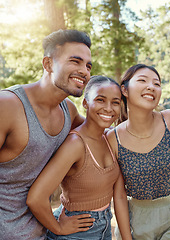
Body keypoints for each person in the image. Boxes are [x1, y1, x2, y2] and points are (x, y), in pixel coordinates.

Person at [0, 29, 92, 239]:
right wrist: (58, 228)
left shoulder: (68, 110)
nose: (84, 71)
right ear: (48, 64)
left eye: (88, 66)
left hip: (39, 232)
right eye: (75, 61)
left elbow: (100, 135)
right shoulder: (7, 106)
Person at [27, 76, 132, 239]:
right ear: (85, 103)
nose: (108, 108)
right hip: (75, 232)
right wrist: (58, 228)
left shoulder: (110, 137)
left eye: (115, 102)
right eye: (100, 100)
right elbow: (35, 198)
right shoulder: (75, 144)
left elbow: (119, 194)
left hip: (104, 227)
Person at [106, 64, 170, 240]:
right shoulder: (113, 139)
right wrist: (127, 237)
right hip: (137, 222)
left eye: (157, 84)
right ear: (124, 90)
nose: (151, 86)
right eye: (142, 80)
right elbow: (119, 195)